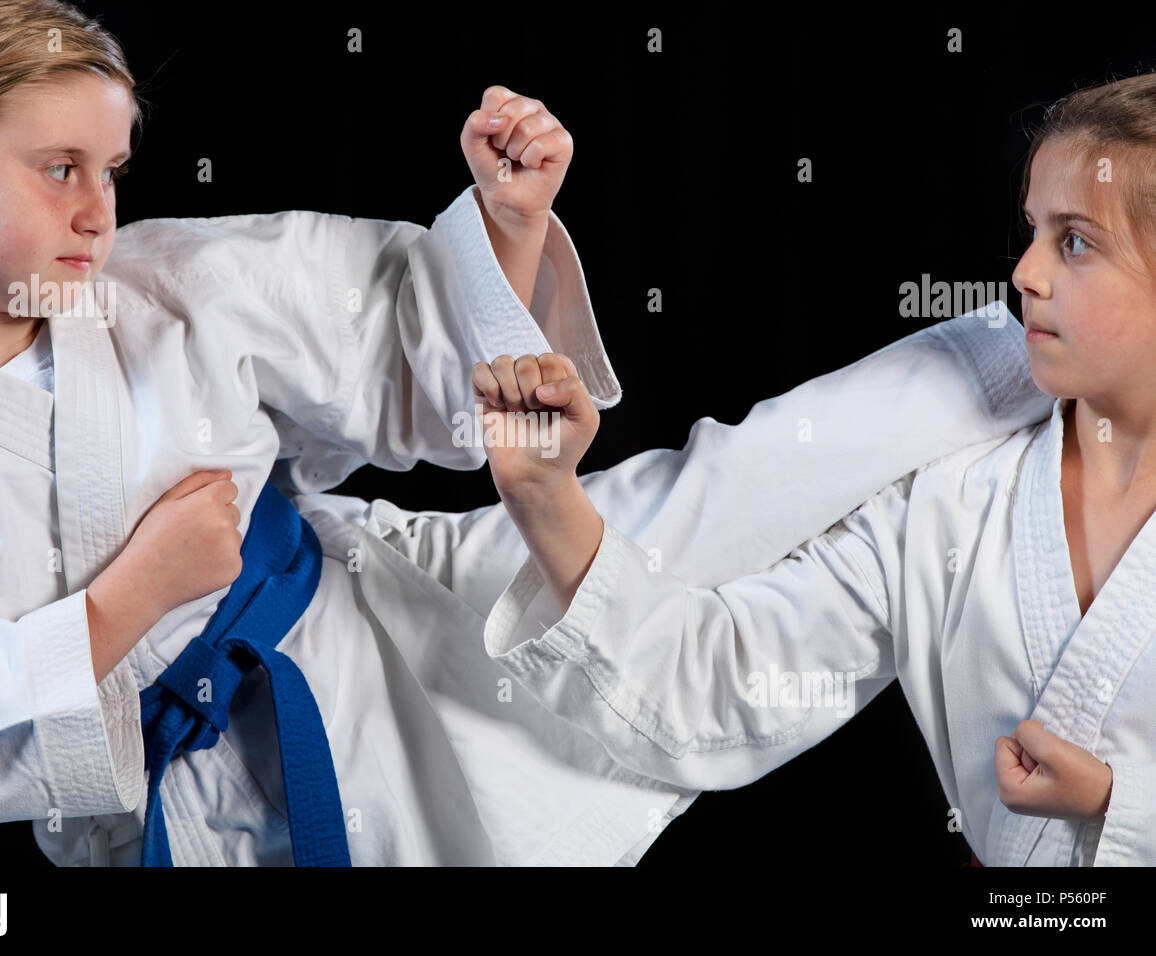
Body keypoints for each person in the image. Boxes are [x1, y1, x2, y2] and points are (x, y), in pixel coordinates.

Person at [0, 0, 1050, 866]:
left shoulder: (161, 286)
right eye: (59, 167)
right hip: (168, 821)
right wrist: (136, 595)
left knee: (739, 479)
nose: (98, 213)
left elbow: (394, 339)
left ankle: (1033, 357)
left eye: (111, 169)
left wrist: (507, 225)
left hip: (377, 635)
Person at [478, 71, 1156, 866]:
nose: (1024, 273)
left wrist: (1125, 805)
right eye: (1033, 229)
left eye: (1073, 241)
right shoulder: (948, 501)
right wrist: (545, 497)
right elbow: (721, 683)